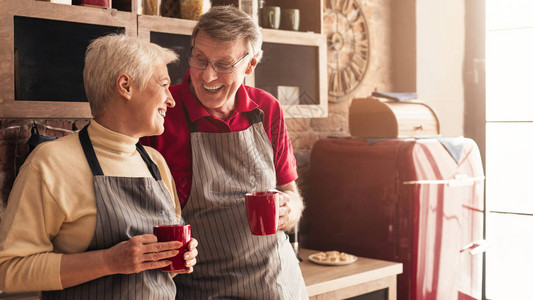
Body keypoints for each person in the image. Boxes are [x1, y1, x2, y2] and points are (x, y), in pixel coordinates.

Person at [0, 34, 198, 299]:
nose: (170, 99)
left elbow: (159, 271)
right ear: (125, 86)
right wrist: (109, 261)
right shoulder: (50, 163)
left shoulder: (155, 162)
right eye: (163, 84)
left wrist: (177, 258)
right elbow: (10, 270)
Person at [141, 6, 307, 299]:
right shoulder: (163, 110)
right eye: (200, 59)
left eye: (223, 64)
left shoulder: (266, 109)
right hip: (198, 288)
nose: (207, 75)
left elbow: (289, 191)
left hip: (275, 283)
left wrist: (290, 209)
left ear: (250, 64)